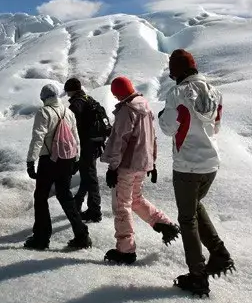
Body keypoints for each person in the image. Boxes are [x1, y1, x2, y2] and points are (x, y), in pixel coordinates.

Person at [158, 49, 234, 297]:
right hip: (210, 164)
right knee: (195, 206)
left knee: (187, 219)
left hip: (187, 164)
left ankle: (198, 276)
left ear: (177, 71)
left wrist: (162, 116)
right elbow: (217, 126)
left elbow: (169, 128)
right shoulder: (214, 91)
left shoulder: (177, 93)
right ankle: (220, 255)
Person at [101, 76, 180, 265]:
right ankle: (164, 224)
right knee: (135, 200)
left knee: (122, 206)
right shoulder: (144, 106)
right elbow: (152, 136)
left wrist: (112, 168)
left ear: (118, 93)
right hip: (143, 164)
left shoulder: (126, 111)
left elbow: (120, 141)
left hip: (126, 165)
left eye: (115, 94)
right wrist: (152, 162)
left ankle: (126, 250)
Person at [23, 84, 91, 251]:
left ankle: (41, 237)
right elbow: (76, 138)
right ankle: (81, 234)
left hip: (49, 160)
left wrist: (31, 161)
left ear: (44, 98)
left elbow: (38, 137)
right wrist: (76, 159)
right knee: (65, 196)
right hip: (67, 160)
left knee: (40, 197)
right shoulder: (69, 112)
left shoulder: (44, 112)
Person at [64, 78, 111, 222]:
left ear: (71, 90)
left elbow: (71, 126)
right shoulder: (88, 99)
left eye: (67, 91)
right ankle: (78, 204)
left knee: (90, 177)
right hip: (96, 143)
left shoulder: (77, 104)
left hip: (86, 145)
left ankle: (95, 211)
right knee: (87, 175)